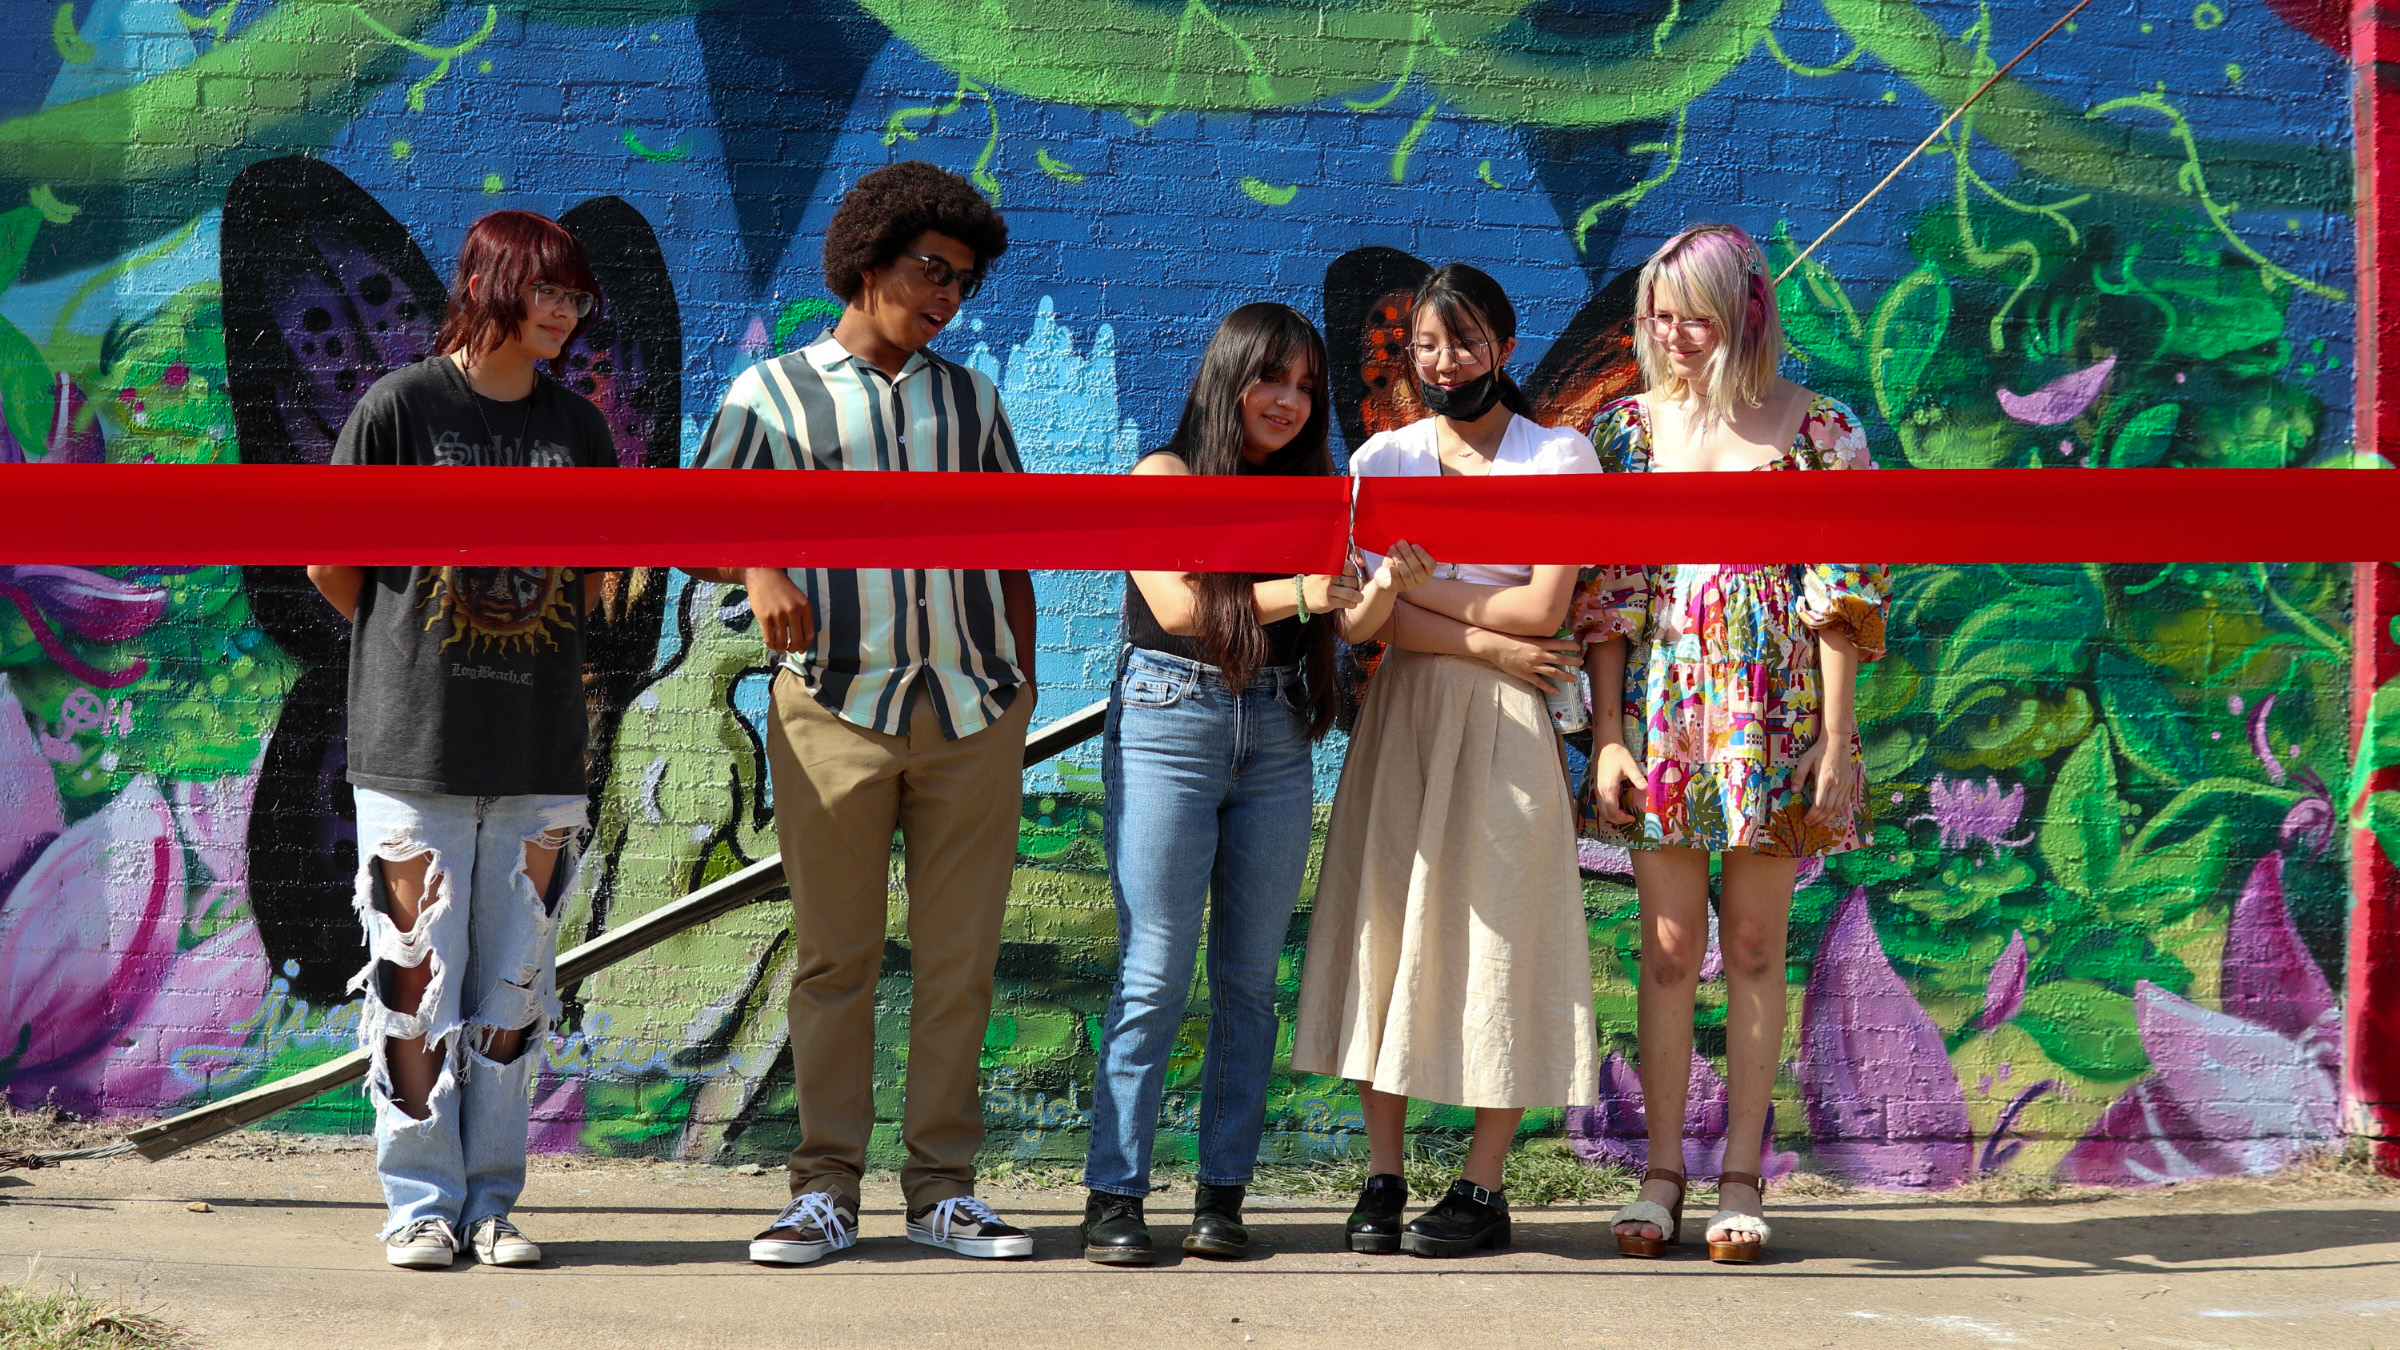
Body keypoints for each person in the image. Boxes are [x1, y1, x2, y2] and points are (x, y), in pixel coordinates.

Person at [685, 161, 1040, 1266]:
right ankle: (824, 1190)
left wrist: (1021, 684)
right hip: (832, 708)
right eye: (932, 270)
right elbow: (697, 531)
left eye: (963, 282)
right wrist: (762, 566)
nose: (947, 296)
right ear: (870, 259)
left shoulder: (973, 401)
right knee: (835, 961)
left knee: (959, 967)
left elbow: (1013, 550)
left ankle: (943, 1193)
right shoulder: (770, 395)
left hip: (973, 714)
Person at [1074, 304, 1422, 1266]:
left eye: (1307, 387)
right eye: (1273, 378)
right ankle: (1114, 1197)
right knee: (1155, 970)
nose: (1290, 401)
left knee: (1249, 982)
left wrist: (1384, 583)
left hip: (1274, 725)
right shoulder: (1165, 476)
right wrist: (1308, 589)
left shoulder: (1320, 494)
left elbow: (1351, 627)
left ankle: (1220, 1198)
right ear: (1229, 375)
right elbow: (1180, 604)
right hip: (1169, 719)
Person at [306, 210, 616, 1270]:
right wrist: (415, 655)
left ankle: (491, 1202)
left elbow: (595, 579)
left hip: (539, 755)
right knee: (412, 982)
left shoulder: (579, 429)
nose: (565, 313)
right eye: (548, 291)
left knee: (515, 991)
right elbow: (333, 566)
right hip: (415, 755)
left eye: (576, 296)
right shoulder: (399, 408)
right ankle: (420, 1204)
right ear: (489, 285)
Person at [1576, 222, 1889, 1264]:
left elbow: (1841, 594)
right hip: (1663, 716)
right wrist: (1608, 736)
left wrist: (1835, 740)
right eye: (1660, 316)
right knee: (1667, 949)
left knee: (1755, 945)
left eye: (1696, 317)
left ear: (1748, 314)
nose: (1674, 335)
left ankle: (1743, 1177)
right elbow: (1610, 597)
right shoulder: (1624, 434)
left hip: (1775, 721)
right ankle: (1662, 1173)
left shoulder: (1818, 430)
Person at [1291, 263, 1602, 1260]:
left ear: (1504, 347)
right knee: (1386, 928)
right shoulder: (1381, 462)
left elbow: (1543, 609)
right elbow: (1365, 622)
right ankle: (1382, 1176)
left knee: (1506, 933)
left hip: (1508, 725)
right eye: (1426, 344)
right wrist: (1486, 642)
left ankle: (1484, 1184)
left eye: (1464, 342)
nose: (1444, 361)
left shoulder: (1558, 457)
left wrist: (1424, 601)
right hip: (1408, 717)